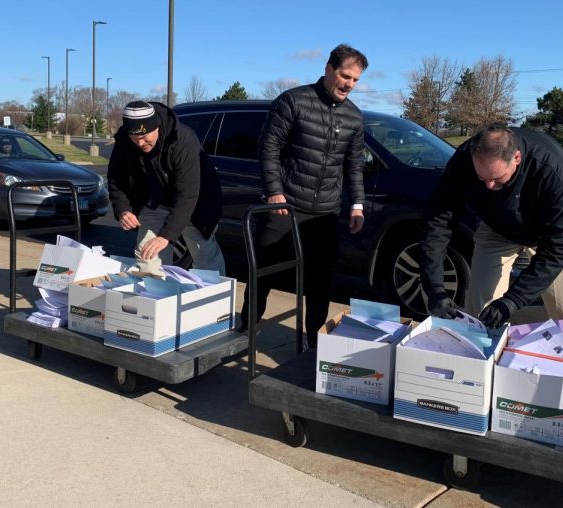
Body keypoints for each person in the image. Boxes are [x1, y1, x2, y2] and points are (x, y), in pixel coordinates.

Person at [239, 43, 368, 348]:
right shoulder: (293, 101)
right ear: (328, 69)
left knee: (320, 282)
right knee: (263, 274)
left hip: (324, 212)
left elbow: (353, 164)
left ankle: (315, 344)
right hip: (284, 206)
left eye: (355, 80)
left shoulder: (354, 117)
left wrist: (357, 205)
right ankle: (245, 332)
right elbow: (268, 147)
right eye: (345, 76)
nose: (349, 84)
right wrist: (274, 192)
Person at [418, 124, 563, 348]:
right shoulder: (463, 162)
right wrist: (434, 289)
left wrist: (512, 301)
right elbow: (438, 223)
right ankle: (478, 367)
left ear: (516, 158)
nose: (488, 185)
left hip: (552, 234)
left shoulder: (551, 169)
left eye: (497, 178)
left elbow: (557, 248)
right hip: (497, 226)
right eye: (481, 178)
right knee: (480, 304)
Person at [107, 100, 226, 275]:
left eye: (144, 136)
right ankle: (156, 296)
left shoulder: (182, 141)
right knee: (147, 253)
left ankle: (215, 296)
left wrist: (166, 236)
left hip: (197, 203)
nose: (140, 143)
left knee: (203, 254)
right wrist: (122, 209)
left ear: (156, 127)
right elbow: (116, 177)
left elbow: (187, 194)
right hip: (156, 200)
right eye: (135, 138)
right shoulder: (124, 141)